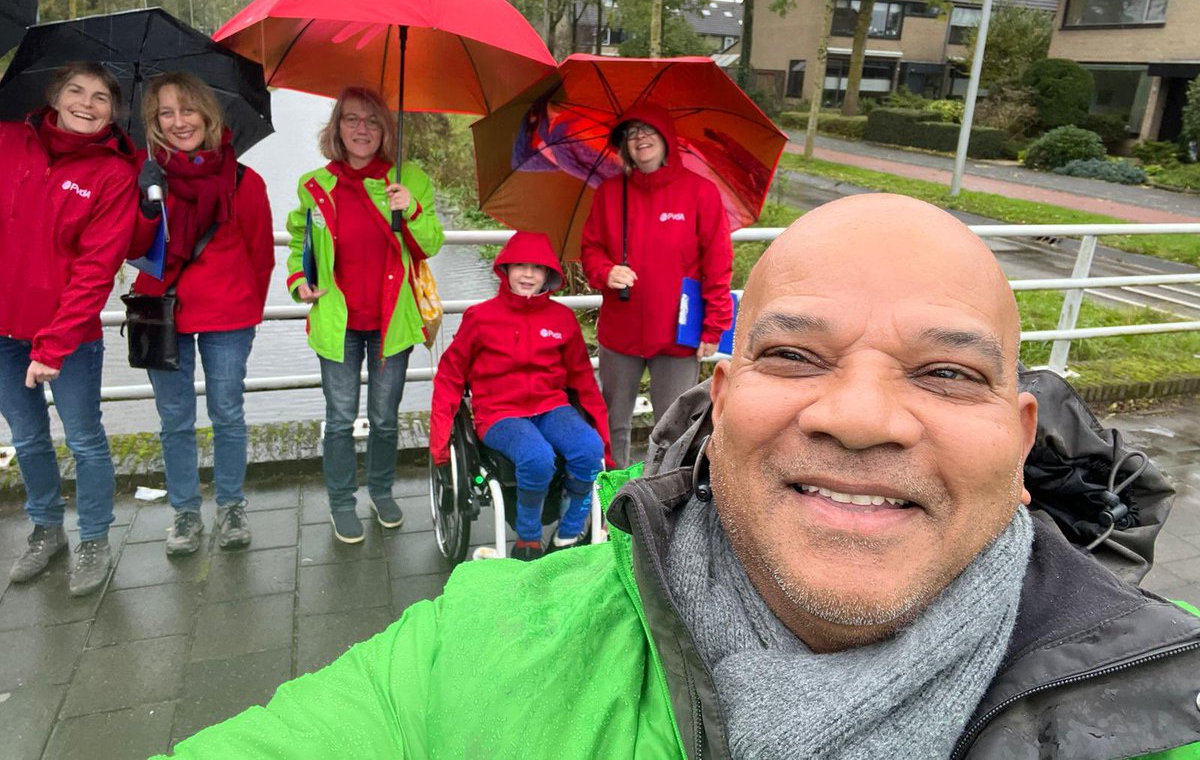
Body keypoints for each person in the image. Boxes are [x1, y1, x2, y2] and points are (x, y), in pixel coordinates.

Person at [154, 194, 1200, 759]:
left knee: (571, 447)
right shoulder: (476, 651)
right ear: (721, 399)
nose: (861, 415)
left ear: (1023, 444)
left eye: (946, 371)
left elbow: (591, 363)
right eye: (793, 355)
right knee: (530, 451)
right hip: (503, 410)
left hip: (583, 385)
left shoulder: (1170, 699)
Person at [0, 62, 138, 597]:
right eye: (76, 91)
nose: (87, 103)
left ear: (113, 110)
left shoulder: (114, 173)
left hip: (70, 339)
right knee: (28, 437)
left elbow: (96, 268)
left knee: (84, 439)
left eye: (101, 96)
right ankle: (45, 529)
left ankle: (95, 539)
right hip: (3, 333)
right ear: (54, 95)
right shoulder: (9, 141)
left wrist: (54, 344)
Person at [286, 86, 444, 545]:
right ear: (336, 128)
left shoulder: (408, 180)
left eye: (372, 121)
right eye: (352, 120)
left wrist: (409, 209)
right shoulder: (316, 185)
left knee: (385, 417)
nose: (361, 129)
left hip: (390, 325)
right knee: (338, 419)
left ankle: (380, 490)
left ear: (386, 131)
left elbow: (430, 244)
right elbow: (299, 242)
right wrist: (298, 280)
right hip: (338, 324)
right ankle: (340, 501)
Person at [128, 72, 274, 556]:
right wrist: (147, 206)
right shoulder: (145, 178)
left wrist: (250, 313)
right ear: (153, 122)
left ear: (208, 115)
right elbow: (126, 250)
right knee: (174, 420)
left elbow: (261, 254)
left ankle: (231, 506)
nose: (178, 121)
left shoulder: (243, 181)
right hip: (160, 312)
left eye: (188, 109)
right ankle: (186, 514)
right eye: (165, 113)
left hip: (228, 315)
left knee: (227, 414)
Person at [429, 230, 610, 560]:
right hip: (499, 413)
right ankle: (527, 539)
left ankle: (568, 533)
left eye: (537, 268)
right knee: (537, 457)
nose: (528, 274)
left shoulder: (562, 319)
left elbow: (583, 381)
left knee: (588, 449)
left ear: (548, 276)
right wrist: (439, 439)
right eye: (520, 266)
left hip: (551, 406)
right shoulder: (480, 318)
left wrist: (606, 442)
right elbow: (450, 375)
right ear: (506, 269)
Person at [581, 102, 733, 467]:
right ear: (624, 146)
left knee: (677, 424)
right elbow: (590, 249)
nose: (640, 139)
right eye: (632, 134)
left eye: (648, 130)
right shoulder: (609, 193)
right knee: (613, 420)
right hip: (621, 332)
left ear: (666, 138)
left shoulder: (700, 193)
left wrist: (714, 326)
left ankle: (663, 496)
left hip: (677, 335)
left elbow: (718, 265)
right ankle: (613, 492)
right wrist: (605, 271)